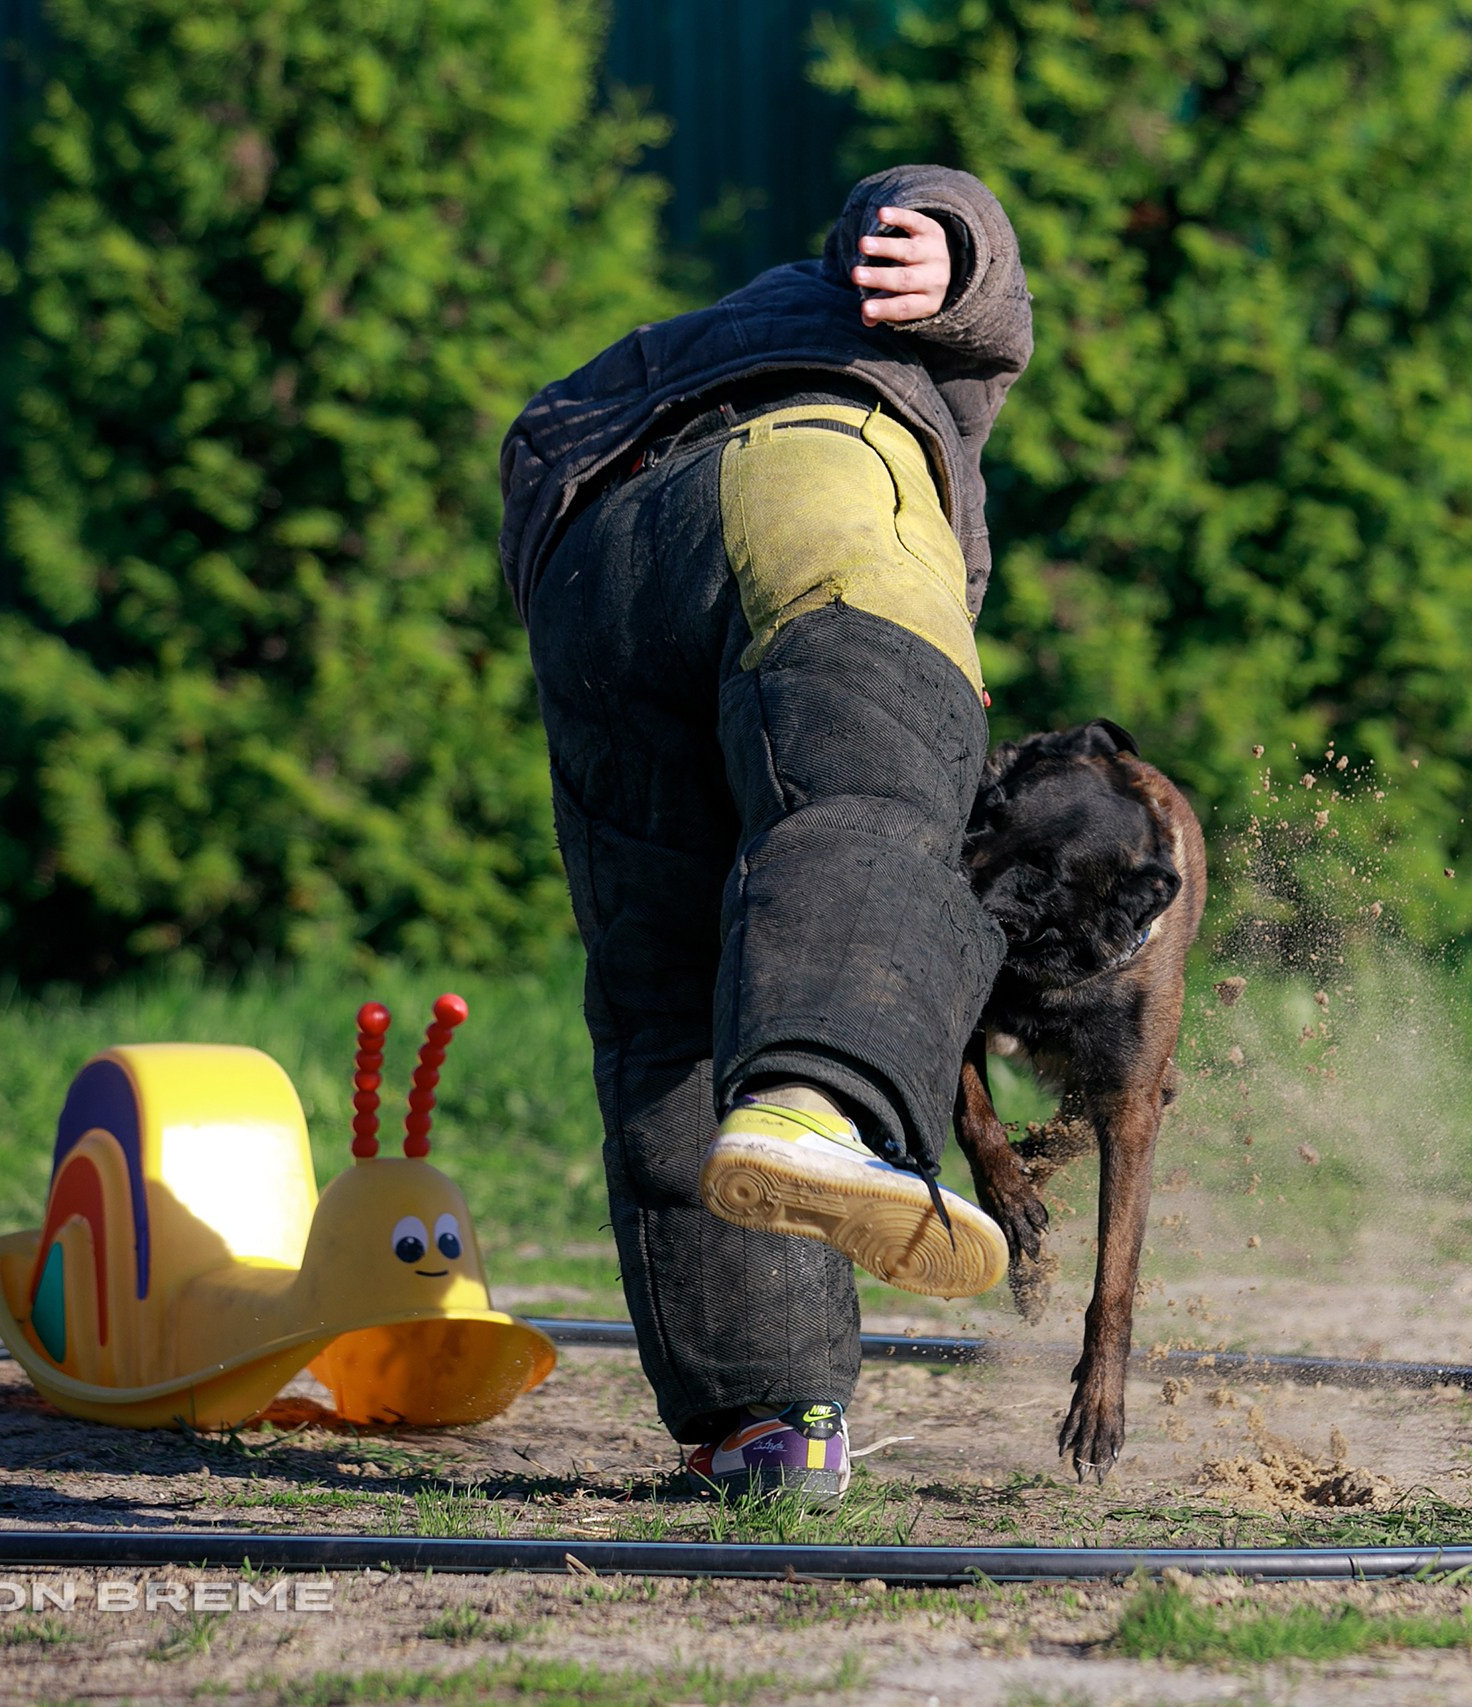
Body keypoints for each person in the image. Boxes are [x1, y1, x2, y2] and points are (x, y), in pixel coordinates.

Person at [498, 166, 1033, 1501]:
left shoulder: (679, 355)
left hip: (586, 563)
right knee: (869, 790)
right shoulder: (864, 348)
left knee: (664, 986)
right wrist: (950, 249)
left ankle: (762, 1420)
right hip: (806, 475)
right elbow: (943, 225)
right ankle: (821, 1096)